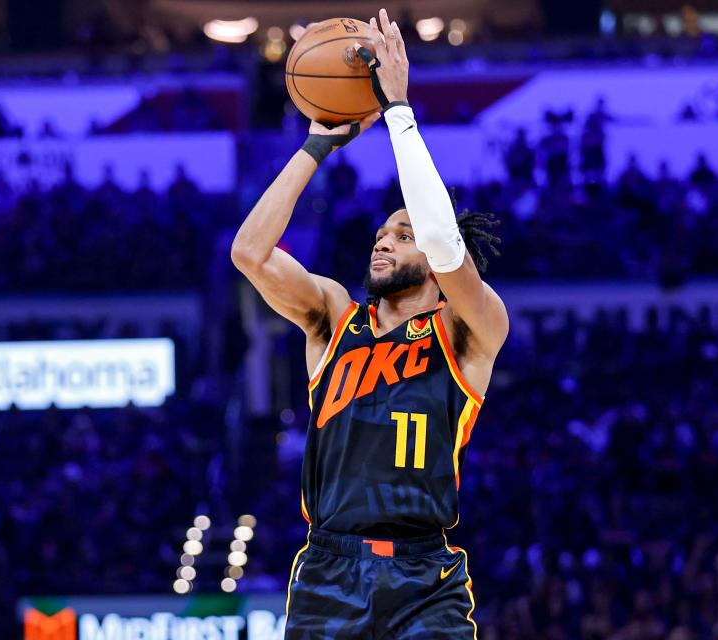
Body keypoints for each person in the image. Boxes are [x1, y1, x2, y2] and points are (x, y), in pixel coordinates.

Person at [230, 8, 508, 638]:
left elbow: (444, 240)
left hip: (427, 575)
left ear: (437, 269)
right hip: (329, 568)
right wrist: (314, 145)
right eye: (382, 233)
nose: (383, 243)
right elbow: (248, 253)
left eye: (401, 235)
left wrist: (398, 110)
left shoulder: (470, 329)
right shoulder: (332, 317)